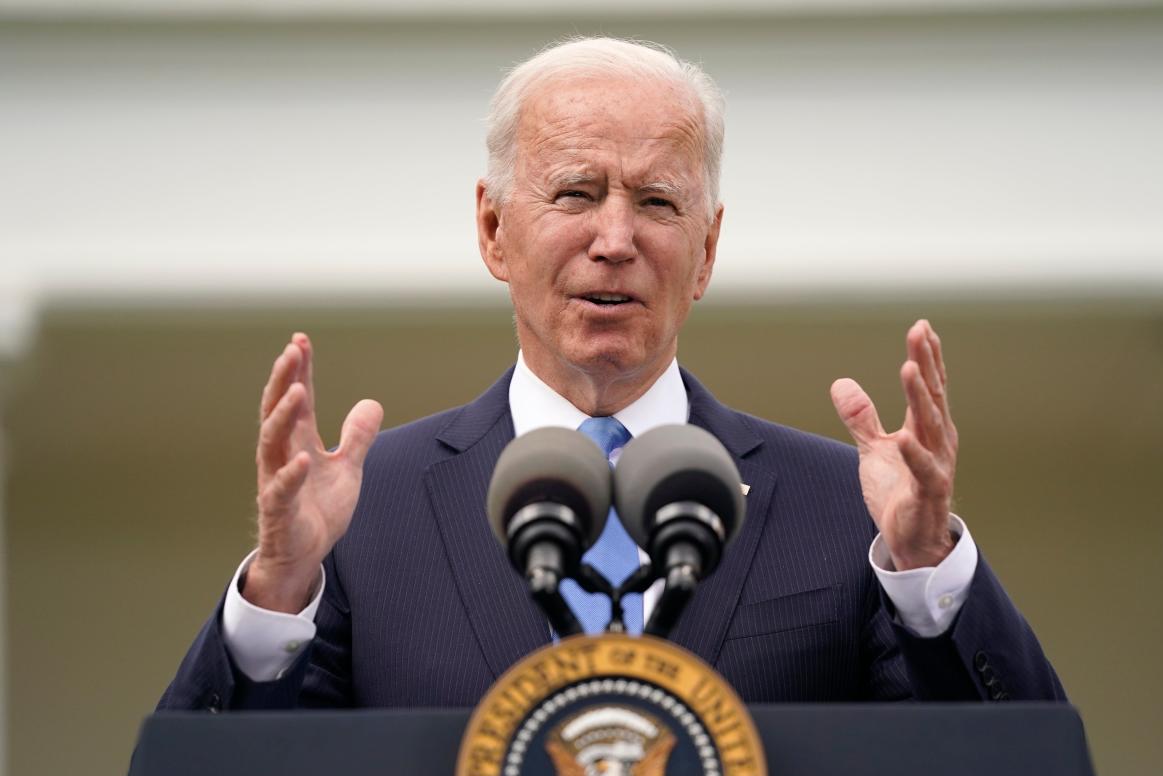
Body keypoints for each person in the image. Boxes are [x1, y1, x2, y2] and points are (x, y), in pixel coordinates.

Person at [159, 37, 1063, 712]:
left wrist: (929, 569)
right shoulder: (362, 513)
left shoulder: (849, 510)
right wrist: (278, 588)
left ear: (706, 252)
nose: (616, 240)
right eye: (576, 193)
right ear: (492, 230)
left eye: (659, 202)